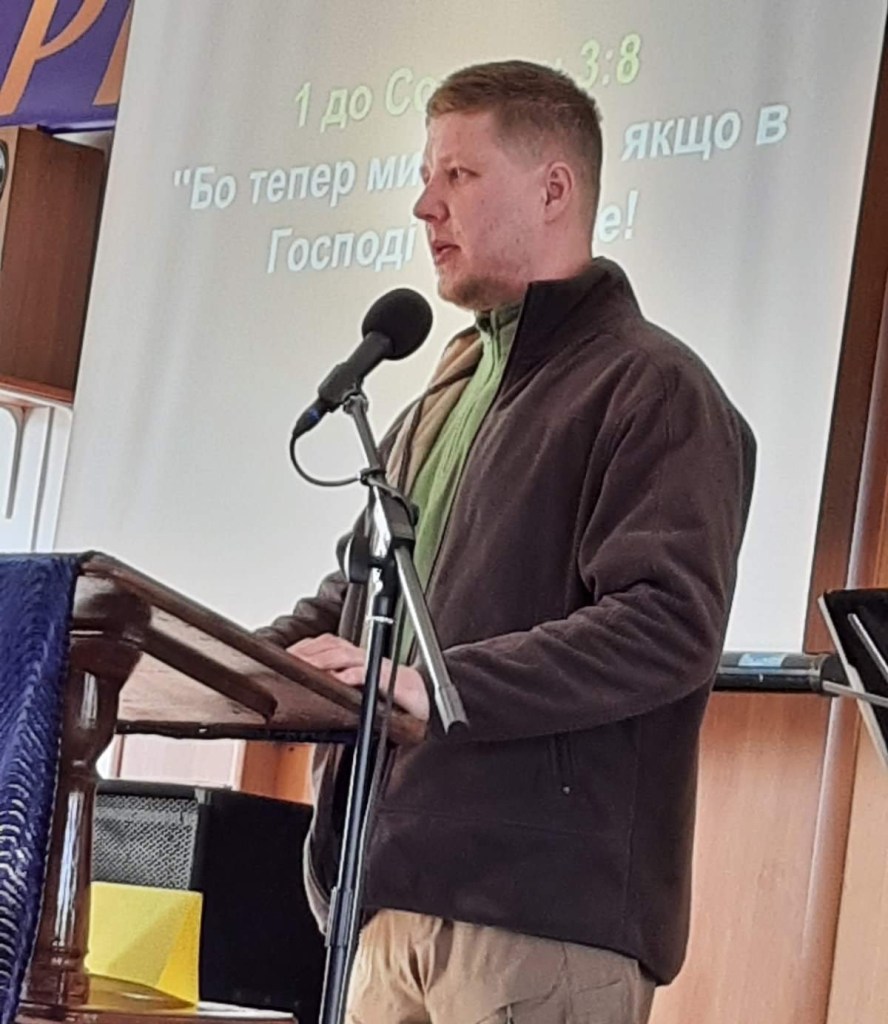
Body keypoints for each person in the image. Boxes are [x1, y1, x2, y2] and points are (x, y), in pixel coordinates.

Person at [259, 59, 756, 1024]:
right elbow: (355, 598)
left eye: (458, 175)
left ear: (553, 189)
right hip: (387, 899)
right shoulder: (443, 393)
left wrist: (436, 685)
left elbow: (665, 624)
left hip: (537, 917)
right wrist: (229, 665)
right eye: (426, 177)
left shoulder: (654, 389)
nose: (424, 206)